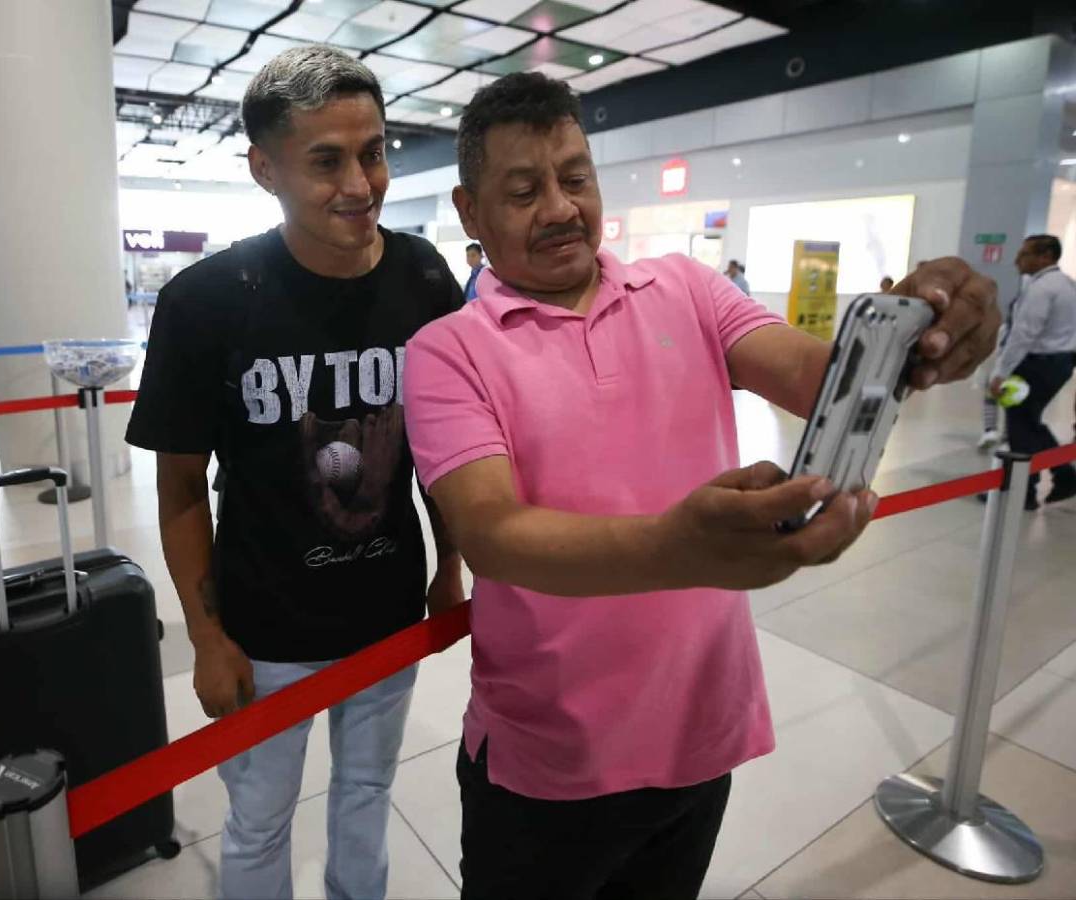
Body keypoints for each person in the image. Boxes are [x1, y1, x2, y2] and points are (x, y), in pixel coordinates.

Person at [402, 72, 999, 900]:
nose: (561, 208)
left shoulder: (684, 287)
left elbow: (808, 372)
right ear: (471, 213)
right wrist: (676, 546)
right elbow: (493, 533)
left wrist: (910, 335)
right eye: (523, 190)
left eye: (575, 177)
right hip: (547, 762)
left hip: (698, 733)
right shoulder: (447, 350)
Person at [125, 45, 465, 900]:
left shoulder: (425, 276)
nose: (361, 182)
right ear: (264, 169)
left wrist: (449, 566)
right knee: (259, 822)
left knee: (366, 797)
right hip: (263, 628)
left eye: (375, 150)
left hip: (388, 608)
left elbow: (444, 444)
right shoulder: (207, 301)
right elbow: (177, 492)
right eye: (326, 160)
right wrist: (208, 638)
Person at [989, 234, 1076, 508]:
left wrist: (1001, 371)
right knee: (1029, 422)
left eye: (1025, 254)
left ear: (1046, 256)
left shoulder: (1042, 289)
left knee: (1021, 426)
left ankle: (1025, 492)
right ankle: (1060, 475)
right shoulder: (1065, 284)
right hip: (1059, 362)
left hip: (1037, 363)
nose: (1017, 260)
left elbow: (1024, 334)